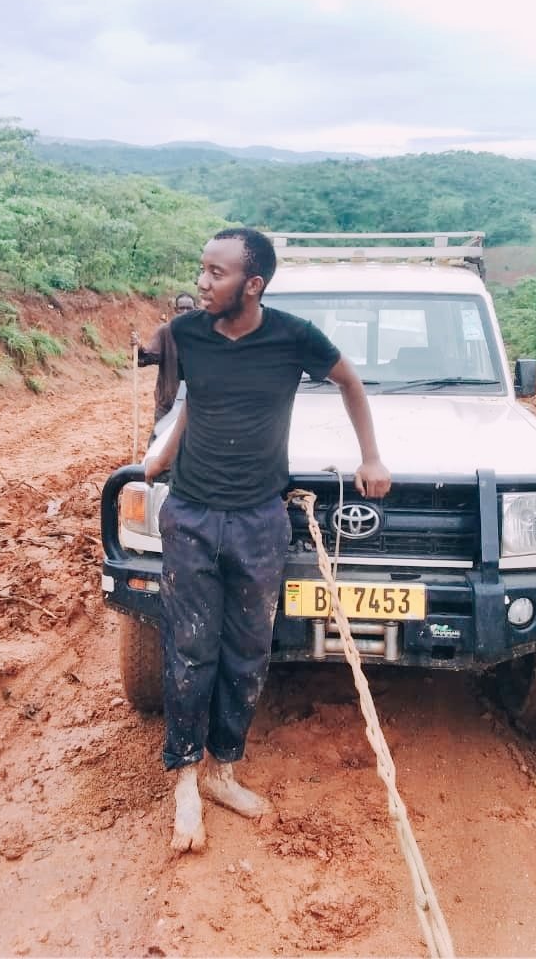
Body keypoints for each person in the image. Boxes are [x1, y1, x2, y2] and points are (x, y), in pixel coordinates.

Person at [144, 228, 392, 854]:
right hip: (193, 515)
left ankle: (224, 771)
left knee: (247, 652)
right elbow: (195, 399)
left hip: (259, 519)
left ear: (252, 285)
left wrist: (372, 458)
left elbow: (351, 383)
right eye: (201, 269)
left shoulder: (293, 337)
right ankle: (185, 782)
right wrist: (160, 455)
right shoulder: (188, 334)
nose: (202, 282)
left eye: (216, 273)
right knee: (189, 650)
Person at [130, 292, 196, 438]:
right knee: (158, 445)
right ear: (175, 310)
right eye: (181, 308)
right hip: (167, 405)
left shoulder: (201, 334)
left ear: (195, 310)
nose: (185, 312)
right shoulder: (165, 332)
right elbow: (148, 356)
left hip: (194, 407)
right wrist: (139, 347)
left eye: (189, 308)